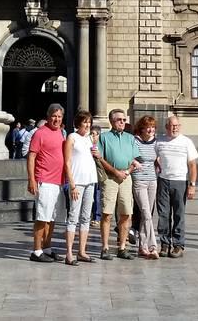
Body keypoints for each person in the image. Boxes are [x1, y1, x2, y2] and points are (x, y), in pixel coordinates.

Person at [95, 108, 141, 260]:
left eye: (124, 119)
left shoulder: (130, 138)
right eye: (119, 120)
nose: (122, 122)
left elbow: (136, 159)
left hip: (126, 178)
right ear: (111, 121)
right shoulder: (104, 137)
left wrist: (127, 171)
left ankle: (122, 247)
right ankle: (105, 248)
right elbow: (101, 159)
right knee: (107, 213)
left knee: (126, 213)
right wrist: (115, 172)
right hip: (110, 179)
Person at [25, 102, 65, 263]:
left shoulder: (61, 132)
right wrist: (31, 179)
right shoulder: (40, 133)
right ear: (48, 117)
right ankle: (36, 250)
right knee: (42, 217)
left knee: (52, 217)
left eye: (59, 116)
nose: (56, 119)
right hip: (44, 180)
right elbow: (31, 156)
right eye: (54, 116)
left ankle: (47, 248)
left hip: (58, 181)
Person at [154, 114, 198, 255]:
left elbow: (192, 165)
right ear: (167, 127)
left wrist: (192, 185)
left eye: (177, 126)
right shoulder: (159, 141)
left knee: (179, 214)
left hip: (180, 182)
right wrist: (157, 164)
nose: (175, 128)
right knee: (163, 214)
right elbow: (153, 157)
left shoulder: (186, 142)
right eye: (172, 126)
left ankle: (178, 244)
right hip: (163, 181)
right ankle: (165, 244)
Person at [62, 110, 99, 265]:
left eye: (89, 123)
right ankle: (69, 253)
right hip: (77, 182)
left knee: (85, 217)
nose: (87, 125)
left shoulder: (89, 139)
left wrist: (96, 147)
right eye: (85, 122)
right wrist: (72, 184)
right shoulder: (72, 137)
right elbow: (67, 162)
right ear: (78, 123)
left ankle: (82, 251)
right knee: (73, 216)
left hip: (90, 180)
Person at [131, 115, 161, 260]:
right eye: (148, 127)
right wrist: (134, 162)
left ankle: (142, 247)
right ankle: (153, 247)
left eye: (153, 127)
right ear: (141, 128)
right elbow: (129, 155)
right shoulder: (135, 141)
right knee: (146, 213)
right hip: (139, 180)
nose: (150, 130)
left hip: (152, 180)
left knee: (146, 215)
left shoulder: (156, 142)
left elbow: (158, 159)